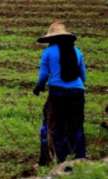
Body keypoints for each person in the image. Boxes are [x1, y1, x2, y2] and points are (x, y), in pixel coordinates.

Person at [33, 21, 87, 163]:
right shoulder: (78, 51)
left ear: (50, 39)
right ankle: (80, 157)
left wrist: (38, 87)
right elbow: (83, 76)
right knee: (77, 124)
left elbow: (44, 75)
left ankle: (54, 159)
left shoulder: (48, 52)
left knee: (52, 125)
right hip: (77, 92)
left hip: (57, 93)